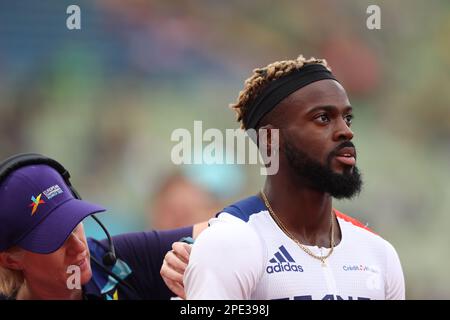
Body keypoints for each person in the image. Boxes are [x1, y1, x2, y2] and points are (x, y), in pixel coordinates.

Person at [184, 55, 405, 300]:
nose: (346, 131)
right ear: (270, 139)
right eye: (323, 118)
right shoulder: (229, 242)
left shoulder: (379, 254)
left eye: (347, 118)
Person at [0, 153, 206, 300]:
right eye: (56, 240)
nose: (79, 247)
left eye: (74, 225)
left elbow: (227, 226)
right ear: (10, 259)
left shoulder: (116, 261)